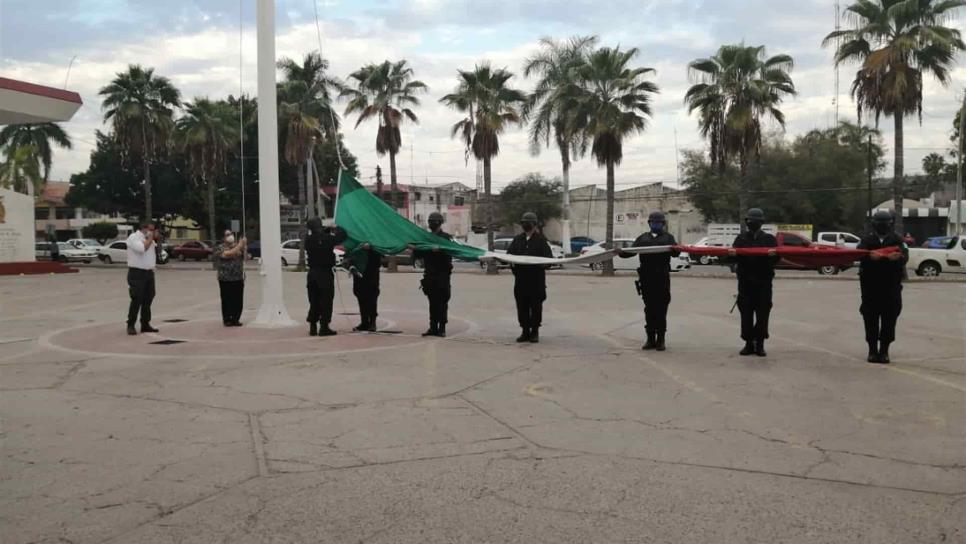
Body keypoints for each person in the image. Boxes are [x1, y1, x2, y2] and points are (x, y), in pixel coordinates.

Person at [623, 211, 679, 351]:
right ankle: (650, 339)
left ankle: (661, 340)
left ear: (663, 224)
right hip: (647, 279)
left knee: (661, 309)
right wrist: (618, 252)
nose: (656, 225)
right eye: (654, 222)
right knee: (649, 310)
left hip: (662, 279)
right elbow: (631, 252)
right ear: (649, 223)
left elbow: (676, 252)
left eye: (659, 223)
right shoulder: (642, 239)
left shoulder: (668, 238)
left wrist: (676, 248)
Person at [858, 211, 908, 364]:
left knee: (889, 319)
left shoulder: (897, 240)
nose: (882, 226)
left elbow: (905, 256)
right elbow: (859, 255)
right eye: (879, 223)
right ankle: (872, 350)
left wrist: (898, 258)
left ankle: (884, 351)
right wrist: (869, 257)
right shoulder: (867, 240)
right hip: (870, 287)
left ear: (890, 224)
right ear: (874, 224)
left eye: (885, 223)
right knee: (870, 318)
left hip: (891, 287)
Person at [729, 208, 779, 357]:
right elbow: (732, 259)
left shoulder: (769, 239)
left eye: (755, 221)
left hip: (763, 283)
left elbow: (777, 259)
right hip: (745, 283)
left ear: (761, 222)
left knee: (763, 313)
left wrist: (772, 256)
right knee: (746, 314)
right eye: (750, 221)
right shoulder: (741, 239)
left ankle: (760, 343)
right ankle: (748, 343)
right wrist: (732, 256)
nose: (752, 223)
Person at [506, 211, 553, 343]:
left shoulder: (541, 241)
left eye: (528, 223)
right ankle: (525, 331)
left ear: (534, 224)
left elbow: (548, 260)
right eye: (524, 223)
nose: (526, 225)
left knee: (536, 307)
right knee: (522, 307)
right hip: (521, 281)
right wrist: (515, 269)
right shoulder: (517, 240)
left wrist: (538, 267)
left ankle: (534, 332)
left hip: (536, 282)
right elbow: (509, 256)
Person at [412, 211, 453, 337]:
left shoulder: (446, 238)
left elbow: (450, 253)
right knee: (432, 303)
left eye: (434, 221)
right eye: (430, 221)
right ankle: (433, 327)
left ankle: (442, 328)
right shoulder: (426, 238)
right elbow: (419, 253)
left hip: (442, 275)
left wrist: (439, 250)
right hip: (430, 275)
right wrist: (414, 249)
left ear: (440, 223)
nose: (431, 224)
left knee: (442, 303)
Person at [304, 218, 347, 337]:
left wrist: (326, 231)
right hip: (325, 273)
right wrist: (335, 227)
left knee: (314, 300)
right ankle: (324, 327)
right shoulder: (328, 239)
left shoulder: (308, 240)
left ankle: (312, 326)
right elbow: (342, 235)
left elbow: (319, 239)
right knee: (326, 300)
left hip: (312, 273)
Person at [125, 223, 160, 335]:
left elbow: (154, 254)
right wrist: (150, 238)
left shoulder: (150, 240)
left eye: (154, 230)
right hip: (137, 273)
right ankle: (131, 324)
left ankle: (145, 324)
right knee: (137, 299)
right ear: (144, 229)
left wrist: (155, 239)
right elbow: (142, 249)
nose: (152, 232)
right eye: (151, 230)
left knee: (148, 299)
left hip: (149, 272)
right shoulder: (133, 238)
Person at [214, 229, 247, 327]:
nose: (230, 236)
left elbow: (245, 258)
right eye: (227, 235)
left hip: (238, 277)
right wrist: (240, 245)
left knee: (238, 300)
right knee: (227, 299)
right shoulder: (220, 247)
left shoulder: (237, 246)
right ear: (223, 238)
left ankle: (236, 319)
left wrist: (245, 247)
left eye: (231, 234)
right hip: (225, 278)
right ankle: (227, 319)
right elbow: (228, 254)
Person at [348, 243, 381, 332]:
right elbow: (350, 255)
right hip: (359, 275)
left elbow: (380, 255)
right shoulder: (357, 244)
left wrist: (371, 247)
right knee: (361, 297)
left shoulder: (375, 244)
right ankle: (364, 322)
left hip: (371, 275)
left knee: (372, 298)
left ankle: (373, 322)